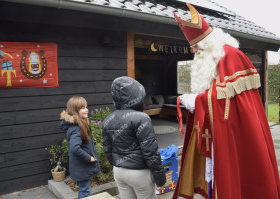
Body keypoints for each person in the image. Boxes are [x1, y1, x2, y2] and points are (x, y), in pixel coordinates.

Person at [172, 4, 280, 199]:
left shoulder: (231, 56)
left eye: (196, 47)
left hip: (235, 134)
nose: (193, 50)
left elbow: (229, 104)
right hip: (214, 135)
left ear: (208, 44)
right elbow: (218, 96)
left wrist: (197, 100)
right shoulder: (213, 60)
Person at [102, 76, 166, 199]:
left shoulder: (107, 120)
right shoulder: (141, 118)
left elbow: (107, 150)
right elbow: (150, 152)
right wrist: (160, 179)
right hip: (139, 173)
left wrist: (117, 164)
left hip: (119, 171)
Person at [60, 96, 100, 199]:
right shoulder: (77, 128)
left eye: (86, 107)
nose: (86, 110)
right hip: (82, 167)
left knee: (84, 189)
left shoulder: (79, 125)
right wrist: (89, 158)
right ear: (75, 110)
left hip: (80, 167)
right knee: (85, 191)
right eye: (82, 108)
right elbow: (75, 148)